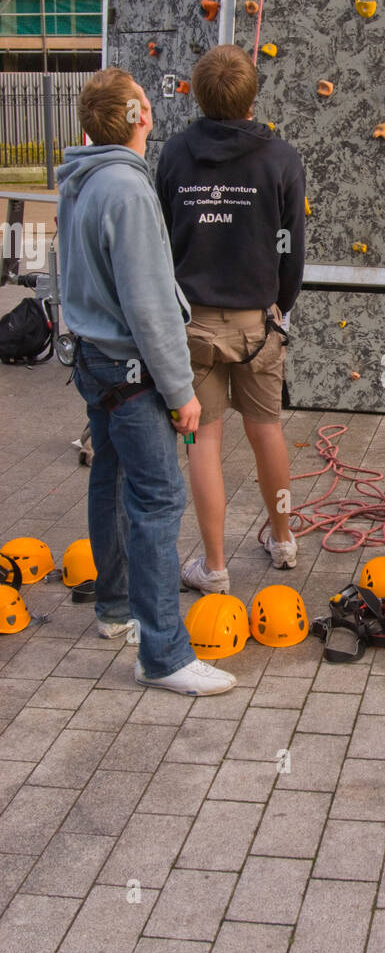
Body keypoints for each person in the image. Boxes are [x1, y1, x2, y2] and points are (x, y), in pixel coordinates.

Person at [57, 68, 235, 696]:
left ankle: (115, 607)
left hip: (94, 361)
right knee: (158, 500)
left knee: (110, 477)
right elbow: (150, 304)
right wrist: (182, 391)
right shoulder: (127, 192)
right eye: (145, 100)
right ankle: (163, 653)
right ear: (137, 115)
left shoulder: (81, 181)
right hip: (130, 371)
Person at [155, 45, 305, 595]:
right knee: (267, 432)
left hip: (191, 326)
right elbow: (292, 250)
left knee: (202, 443)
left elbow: (163, 239)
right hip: (258, 323)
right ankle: (284, 537)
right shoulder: (280, 158)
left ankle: (214, 565)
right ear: (252, 96)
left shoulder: (173, 154)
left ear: (198, 93)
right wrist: (279, 306)